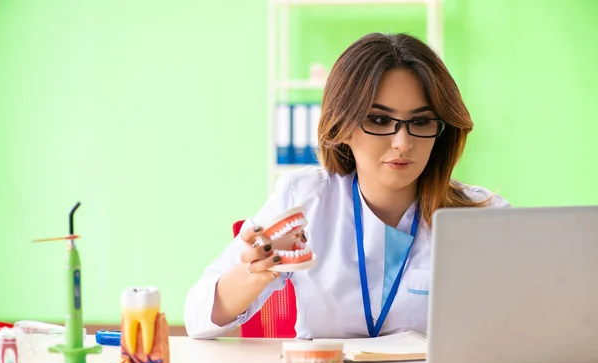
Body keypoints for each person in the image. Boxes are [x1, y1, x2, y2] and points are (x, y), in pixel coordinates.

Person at [184, 32, 510, 340]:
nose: (402, 142)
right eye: (380, 120)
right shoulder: (305, 197)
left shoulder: (482, 215)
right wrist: (255, 272)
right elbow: (198, 318)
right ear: (344, 126)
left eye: (421, 121)